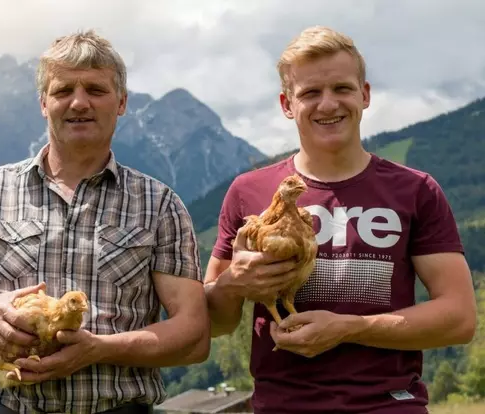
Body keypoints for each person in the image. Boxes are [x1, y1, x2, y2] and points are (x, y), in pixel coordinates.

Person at [0, 30, 210, 414]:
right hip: (2, 405)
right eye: (64, 89)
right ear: (43, 103)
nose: (79, 102)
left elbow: (194, 335)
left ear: (121, 103)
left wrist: (99, 350)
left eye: (96, 90)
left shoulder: (160, 205)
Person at [204, 25, 477, 414]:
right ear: (286, 104)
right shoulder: (247, 191)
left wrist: (351, 328)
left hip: (389, 405)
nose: (328, 104)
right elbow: (214, 323)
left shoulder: (416, 190)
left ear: (364, 95)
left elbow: (459, 319)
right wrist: (234, 284)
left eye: (342, 89)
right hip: (282, 406)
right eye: (311, 93)